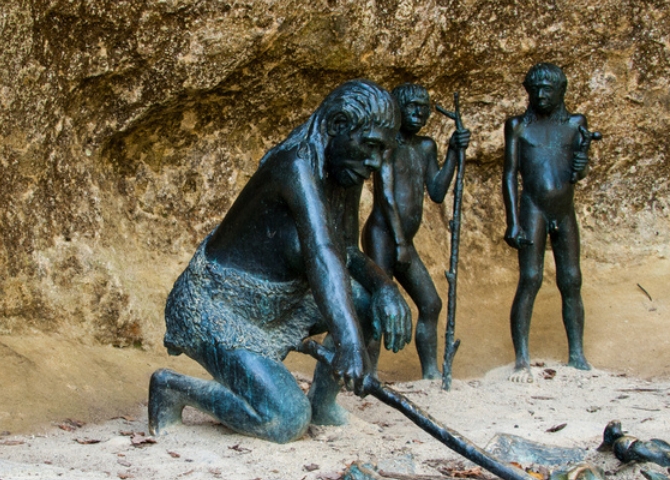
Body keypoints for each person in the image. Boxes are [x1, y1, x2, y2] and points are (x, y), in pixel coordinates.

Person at [149, 80, 413, 443]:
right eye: (370, 146)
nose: (376, 162)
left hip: (284, 303)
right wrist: (350, 343)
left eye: (382, 150)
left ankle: (324, 406)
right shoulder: (294, 166)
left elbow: (346, 252)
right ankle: (174, 388)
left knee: (367, 304)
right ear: (337, 126)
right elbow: (323, 254)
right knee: (286, 419)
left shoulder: (344, 171)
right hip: (221, 310)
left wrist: (385, 288)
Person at [363, 84, 470, 379]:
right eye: (412, 106)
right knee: (377, 305)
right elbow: (386, 197)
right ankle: (368, 374)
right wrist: (399, 243)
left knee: (431, 303)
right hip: (383, 236)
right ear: (397, 110)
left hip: (404, 240)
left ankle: (431, 372)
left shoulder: (425, 148)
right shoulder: (387, 145)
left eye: (424, 108)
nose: (419, 113)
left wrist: (453, 152)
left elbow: (437, 191)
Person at [502, 62, 598, 381]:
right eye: (536, 90)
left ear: (561, 91)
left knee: (571, 279)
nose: (541, 95)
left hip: (564, 209)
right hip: (533, 207)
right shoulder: (518, 126)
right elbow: (509, 175)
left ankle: (577, 354)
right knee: (530, 278)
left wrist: (582, 166)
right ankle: (522, 358)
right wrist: (513, 221)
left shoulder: (575, 124)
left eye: (548, 89)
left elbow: (578, 171)